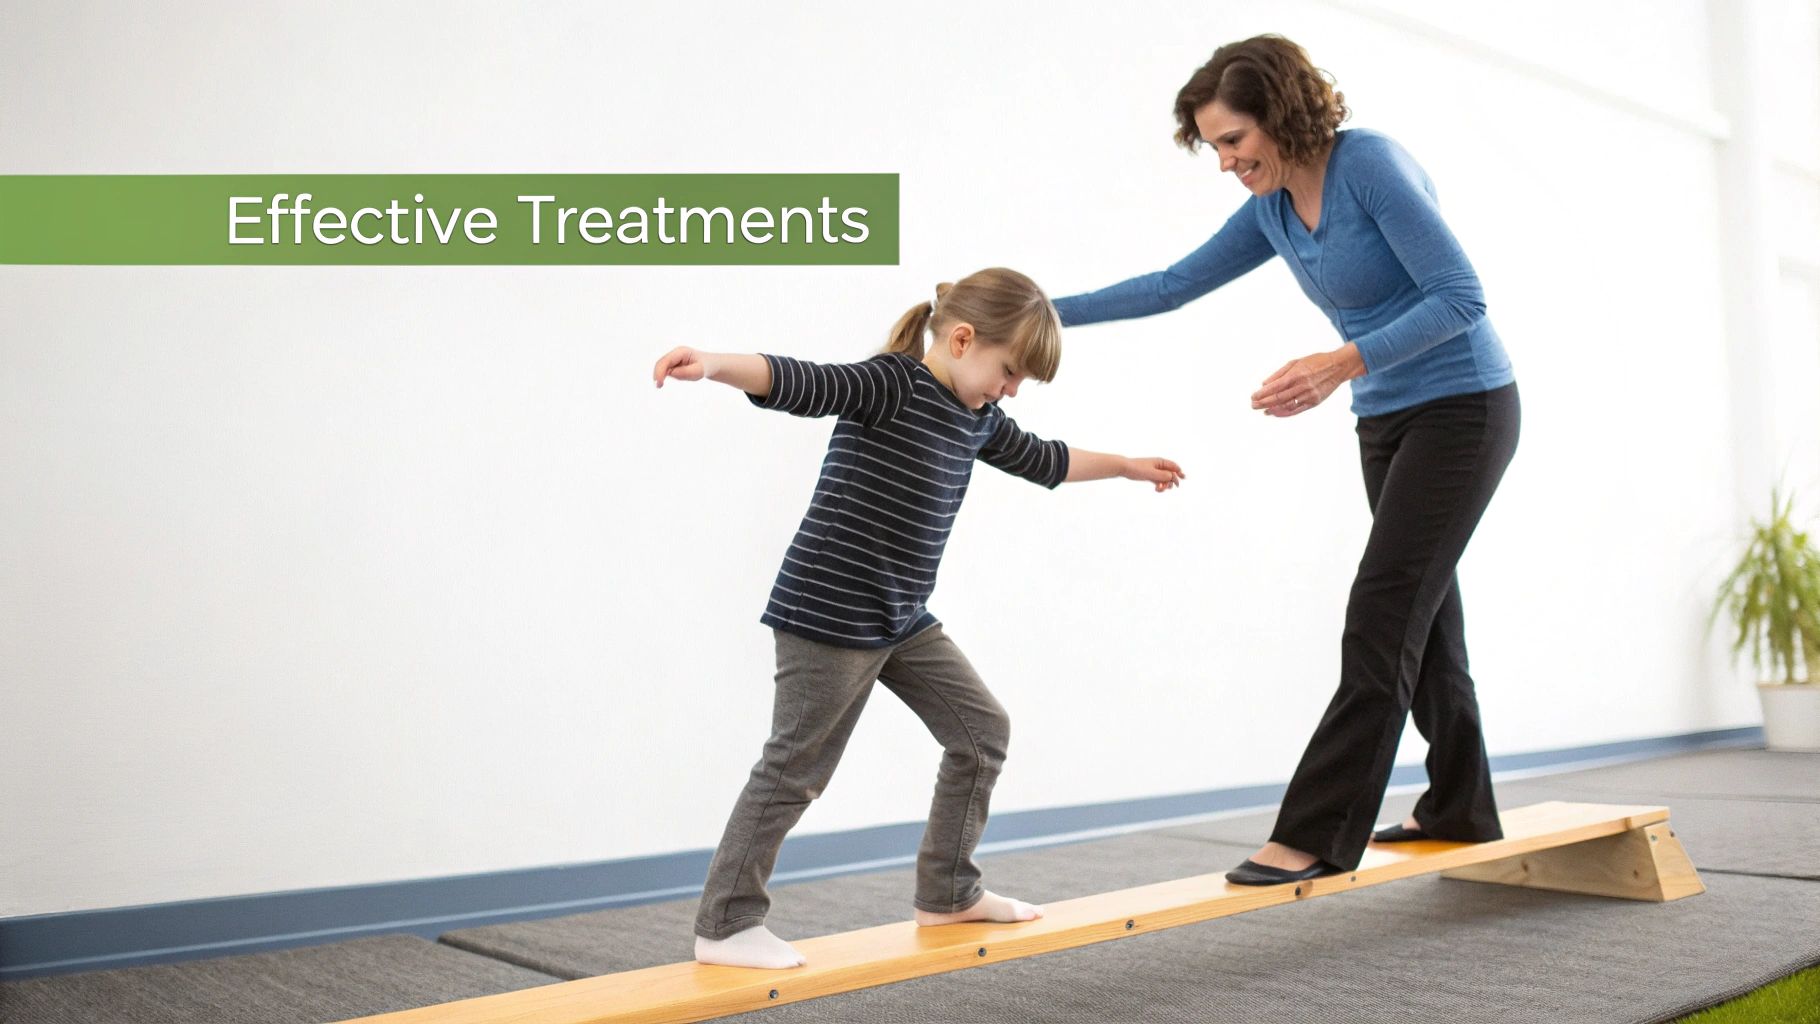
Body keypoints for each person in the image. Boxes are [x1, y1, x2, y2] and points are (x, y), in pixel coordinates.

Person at [1048, 35, 1519, 885]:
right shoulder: (1271, 207)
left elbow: (1462, 297)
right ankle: (1459, 803)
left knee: (1382, 610)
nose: (1226, 162)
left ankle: (1314, 834)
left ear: (1283, 113)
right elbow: (1168, 286)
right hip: (1386, 420)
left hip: (1465, 408)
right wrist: (1033, 313)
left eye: (1234, 140)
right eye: (1214, 147)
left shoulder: (1369, 166)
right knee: (1427, 616)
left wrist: (1338, 361)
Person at [653, 267, 1186, 968]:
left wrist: (1122, 465)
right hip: (830, 610)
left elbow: (1044, 460)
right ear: (963, 339)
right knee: (795, 768)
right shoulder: (891, 385)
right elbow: (798, 380)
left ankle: (948, 893)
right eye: (1010, 372)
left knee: (981, 732)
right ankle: (725, 924)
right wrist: (714, 364)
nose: (1011, 390)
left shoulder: (978, 418)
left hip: (901, 616)